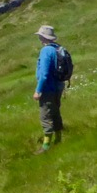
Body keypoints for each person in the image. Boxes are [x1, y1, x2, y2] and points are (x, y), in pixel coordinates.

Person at [33, 25, 65, 153]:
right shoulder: (58, 48)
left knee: (45, 116)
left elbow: (44, 74)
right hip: (58, 87)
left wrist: (38, 90)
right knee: (55, 112)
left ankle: (46, 146)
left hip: (48, 89)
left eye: (40, 36)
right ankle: (58, 139)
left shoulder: (46, 51)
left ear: (43, 37)